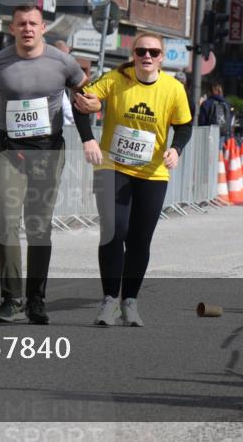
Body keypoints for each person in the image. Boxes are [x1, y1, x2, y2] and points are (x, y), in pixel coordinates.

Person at [0, 5, 91, 325]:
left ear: (43, 27)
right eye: (21, 24)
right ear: (12, 28)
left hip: (47, 153)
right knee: (7, 220)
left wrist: (95, 109)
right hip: (9, 150)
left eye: (33, 23)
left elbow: (87, 94)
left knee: (38, 227)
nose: (27, 28)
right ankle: (12, 300)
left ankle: (36, 299)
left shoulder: (63, 63)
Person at [73, 33, 192, 327]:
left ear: (161, 57)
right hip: (113, 167)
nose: (147, 56)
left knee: (140, 239)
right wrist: (88, 139)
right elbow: (81, 103)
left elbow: (185, 127)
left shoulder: (173, 89)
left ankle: (131, 301)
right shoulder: (116, 79)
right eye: (141, 51)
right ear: (134, 54)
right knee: (115, 230)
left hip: (152, 173)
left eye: (153, 51)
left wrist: (176, 149)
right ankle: (110, 300)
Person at [197, 83, 233, 148]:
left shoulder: (206, 103)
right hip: (222, 133)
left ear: (211, 92)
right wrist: (229, 135)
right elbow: (229, 119)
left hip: (209, 133)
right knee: (219, 152)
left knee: (207, 152)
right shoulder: (226, 104)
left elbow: (202, 121)